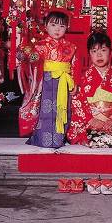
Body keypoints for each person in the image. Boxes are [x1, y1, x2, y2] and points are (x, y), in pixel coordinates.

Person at [19, 10, 79, 149]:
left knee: (62, 109)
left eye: (62, 26)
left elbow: (75, 65)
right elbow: (32, 60)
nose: (57, 29)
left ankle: (59, 138)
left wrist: (75, 82)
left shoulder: (71, 47)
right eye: (53, 25)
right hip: (45, 82)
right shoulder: (40, 45)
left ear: (67, 27)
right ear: (45, 26)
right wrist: (25, 53)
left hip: (63, 82)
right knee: (45, 110)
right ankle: (43, 138)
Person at [67, 31, 112, 147]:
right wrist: (91, 120)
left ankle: (103, 139)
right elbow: (77, 103)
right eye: (94, 51)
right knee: (91, 137)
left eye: (103, 50)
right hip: (88, 124)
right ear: (89, 54)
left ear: (111, 52)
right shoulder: (82, 79)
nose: (99, 55)